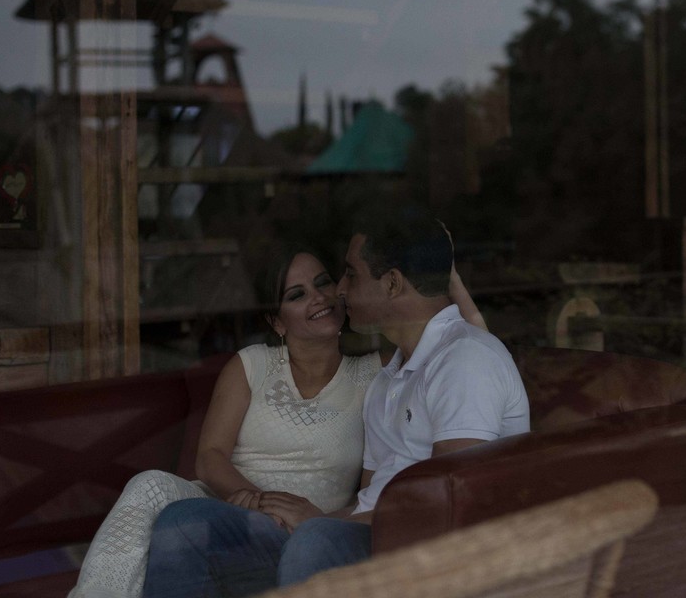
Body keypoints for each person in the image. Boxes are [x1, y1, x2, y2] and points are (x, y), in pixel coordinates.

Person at [143, 215, 529, 596]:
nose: (339, 290)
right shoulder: (387, 380)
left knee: (314, 542)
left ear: (392, 283)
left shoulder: (465, 361)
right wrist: (315, 518)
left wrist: (320, 524)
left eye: (349, 274)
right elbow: (369, 496)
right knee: (183, 523)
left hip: (423, 550)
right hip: (361, 533)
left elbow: (449, 501)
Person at [69, 246, 381, 598]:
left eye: (322, 283)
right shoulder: (252, 364)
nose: (318, 297)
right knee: (148, 485)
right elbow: (211, 455)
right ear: (276, 321)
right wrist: (253, 499)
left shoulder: (376, 373)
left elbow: (370, 493)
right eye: (297, 294)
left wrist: (317, 520)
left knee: (182, 525)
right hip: (232, 504)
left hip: (309, 526)